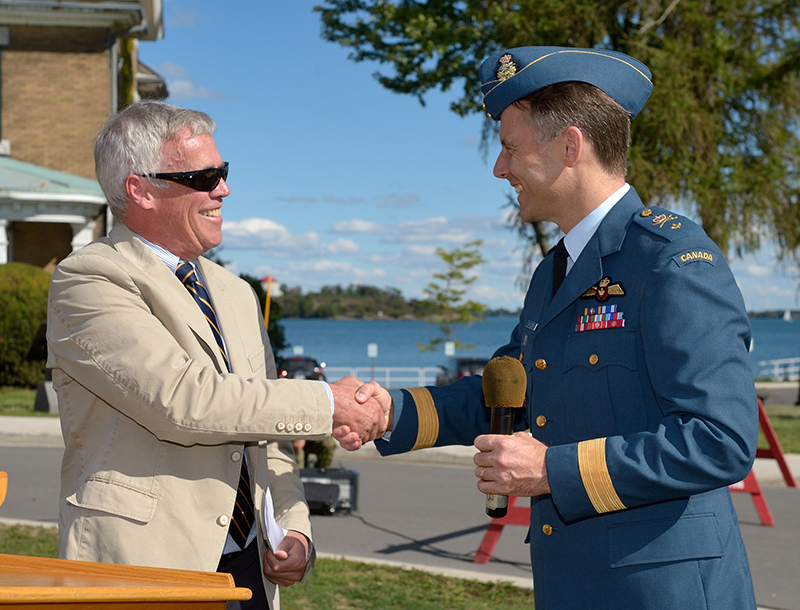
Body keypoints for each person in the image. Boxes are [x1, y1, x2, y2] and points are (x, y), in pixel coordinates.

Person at [352, 47, 759, 609]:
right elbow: (507, 389)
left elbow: (721, 440)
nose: (500, 168)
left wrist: (550, 469)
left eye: (511, 148)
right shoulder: (555, 270)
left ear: (570, 147)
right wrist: (386, 411)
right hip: (571, 580)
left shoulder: (670, 259)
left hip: (661, 591)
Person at [46, 100, 388, 610]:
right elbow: (184, 402)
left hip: (250, 569)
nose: (222, 189)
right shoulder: (89, 279)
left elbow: (271, 433)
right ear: (140, 189)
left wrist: (294, 528)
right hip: (143, 566)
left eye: (222, 172)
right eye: (203, 176)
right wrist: (328, 402)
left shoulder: (235, 292)